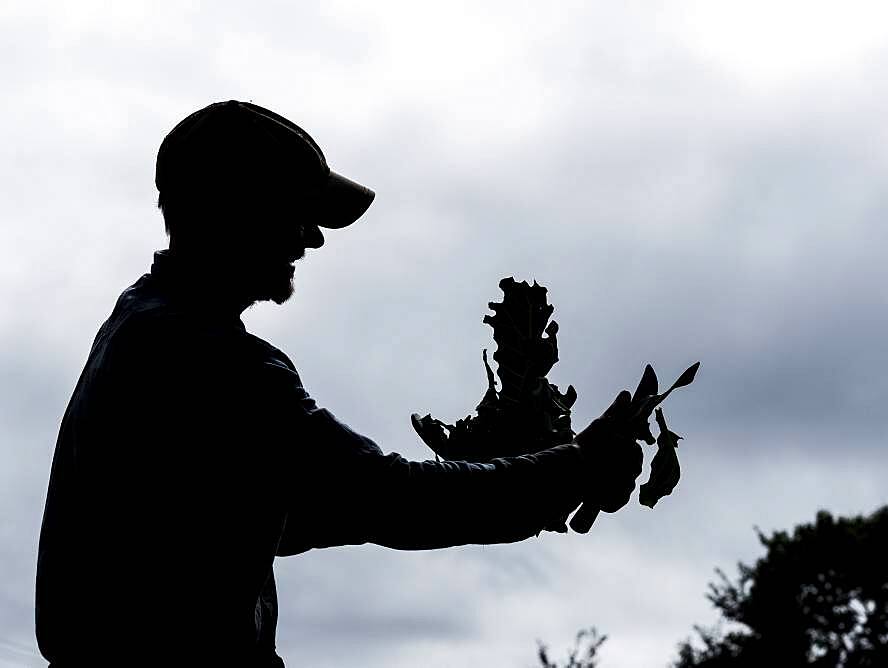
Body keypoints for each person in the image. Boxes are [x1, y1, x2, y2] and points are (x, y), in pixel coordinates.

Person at [35, 100, 644, 667]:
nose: (313, 237)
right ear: (236, 208)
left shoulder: (137, 323)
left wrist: (523, 475)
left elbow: (271, 516)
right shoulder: (216, 360)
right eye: (297, 212)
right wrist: (575, 469)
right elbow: (388, 500)